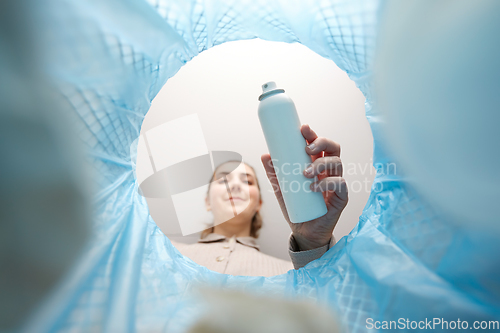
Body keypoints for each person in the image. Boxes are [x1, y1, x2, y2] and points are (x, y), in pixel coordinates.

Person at [172, 124, 348, 277]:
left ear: (259, 204)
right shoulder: (161, 250)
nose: (235, 186)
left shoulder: (293, 273)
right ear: (207, 201)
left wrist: (313, 244)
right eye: (224, 179)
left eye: (247, 181)